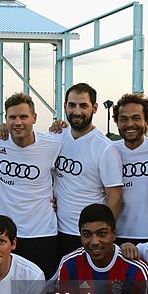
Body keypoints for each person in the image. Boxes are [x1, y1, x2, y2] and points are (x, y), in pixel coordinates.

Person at [0, 94, 61, 279]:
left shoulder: (54, 143)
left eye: (23, 117)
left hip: (42, 232)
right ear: (5, 119)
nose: (18, 122)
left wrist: (61, 124)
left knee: (42, 291)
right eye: (12, 117)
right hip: (6, 235)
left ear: (34, 118)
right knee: (9, 291)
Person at [53, 83, 124, 258]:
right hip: (56, 231)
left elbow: (115, 197)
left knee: (88, 285)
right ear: (65, 106)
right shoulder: (56, 138)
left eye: (83, 106)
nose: (77, 111)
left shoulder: (105, 148)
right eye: (72, 105)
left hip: (87, 236)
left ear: (95, 108)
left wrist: (102, 235)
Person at [112, 93, 148, 245]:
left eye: (135, 118)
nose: (129, 124)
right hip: (118, 235)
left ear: (147, 122)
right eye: (123, 119)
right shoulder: (109, 150)